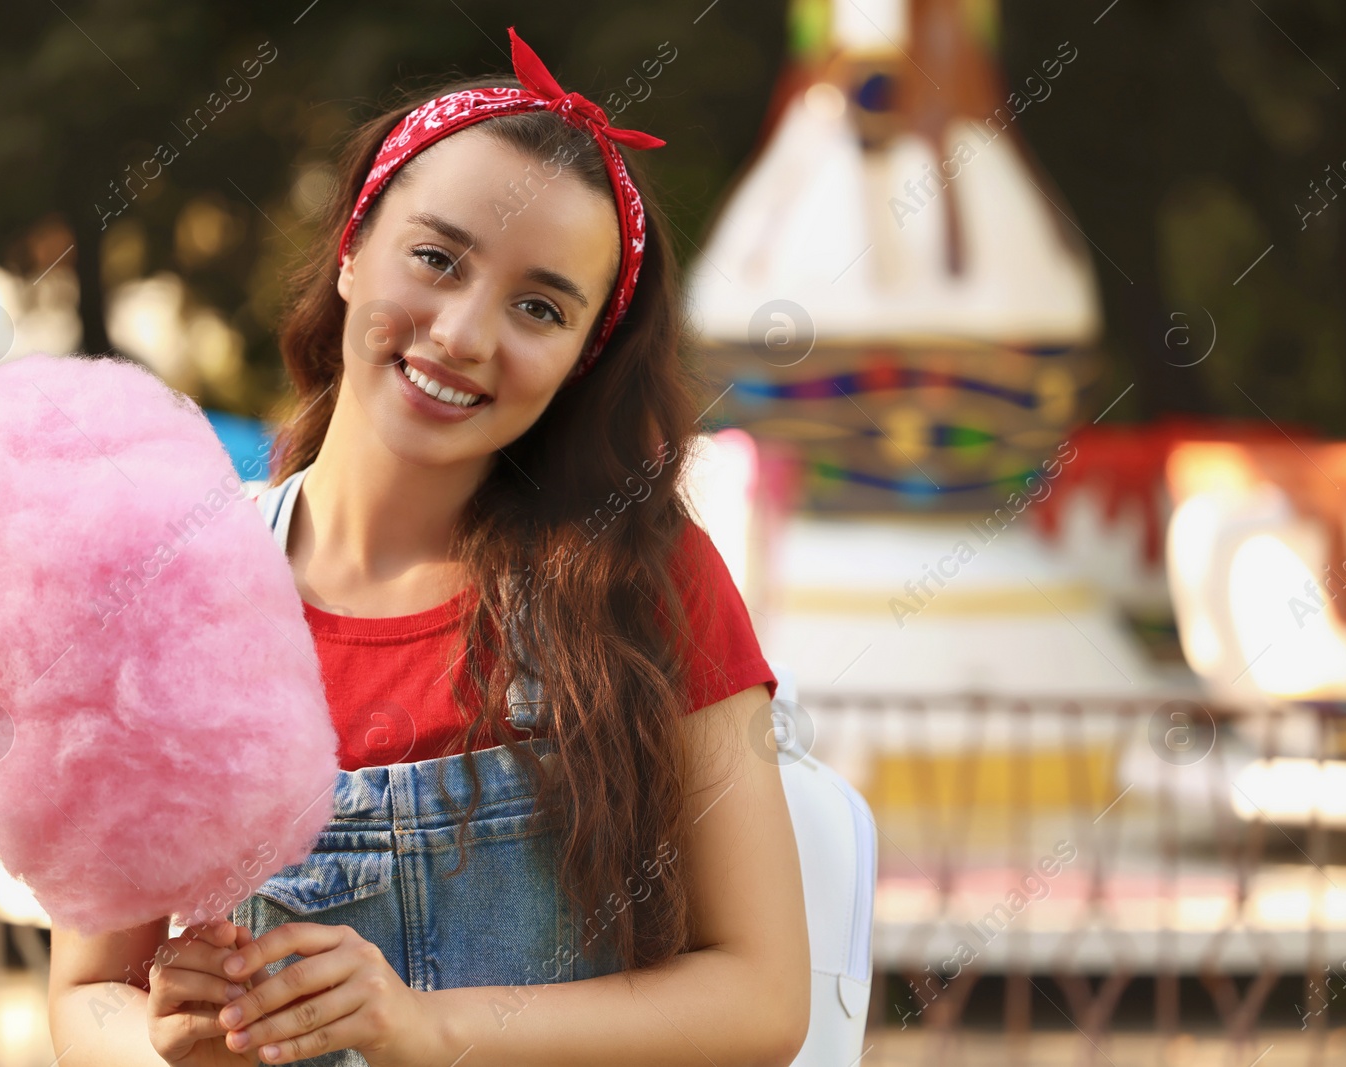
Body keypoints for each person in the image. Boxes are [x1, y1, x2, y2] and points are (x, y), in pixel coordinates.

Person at [47, 26, 809, 1067]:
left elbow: (761, 996)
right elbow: (88, 988)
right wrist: (168, 1044)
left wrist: (426, 1026)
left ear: (585, 358)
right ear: (353, 249)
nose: (461, 332)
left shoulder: (650, 582)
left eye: (539, 306)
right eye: (436, 259)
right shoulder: (174, 596)